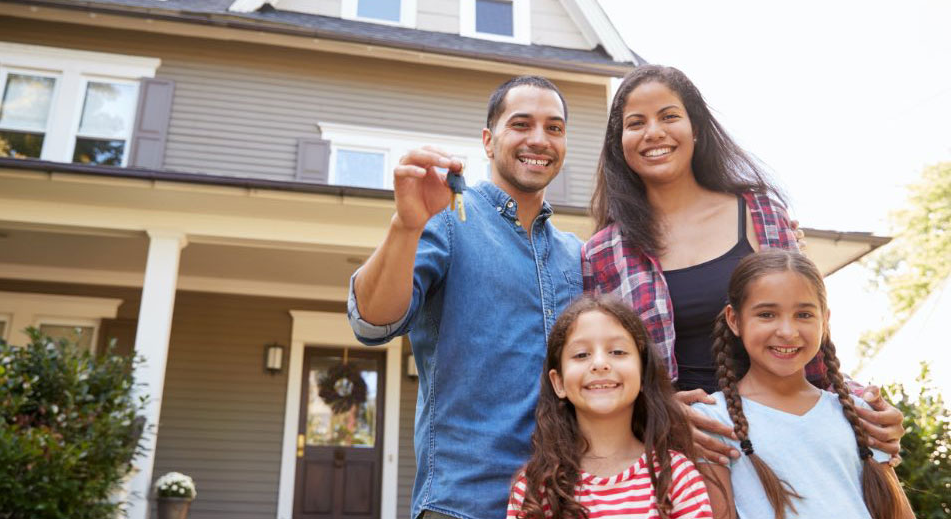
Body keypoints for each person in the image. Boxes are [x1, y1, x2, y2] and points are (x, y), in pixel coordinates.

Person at [581, 64, 905, 464]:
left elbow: (807, 334)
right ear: (620, 142)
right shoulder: (603, 253)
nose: (653, 132)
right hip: (682, 452)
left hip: (782, 436)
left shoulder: (762, 213)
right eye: (636, 123)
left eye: (669, 116)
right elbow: (602, 369)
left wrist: (862, 405)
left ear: (695, 128)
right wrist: (658, 414)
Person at [347, 76, 582, 519]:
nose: (539, 139)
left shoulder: (575, 253)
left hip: (563, 503)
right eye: (521, 124)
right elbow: (370, 323)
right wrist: (405, 224)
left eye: (554, 127)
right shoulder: (447, 219)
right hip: (464, 505)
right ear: (488, 142)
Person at [692, 249, 913, 519]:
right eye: (767, 315)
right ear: (735, 320)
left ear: (825, 321)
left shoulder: (857, 412)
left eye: (804, 315)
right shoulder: (711, 421)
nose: (787, 332)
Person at [508, 294, 713, 519]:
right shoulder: (537, 486)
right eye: (581, 354)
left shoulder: (676, 476)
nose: (599, 364)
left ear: (644, 374)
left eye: (617, 352)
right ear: (558, 382)